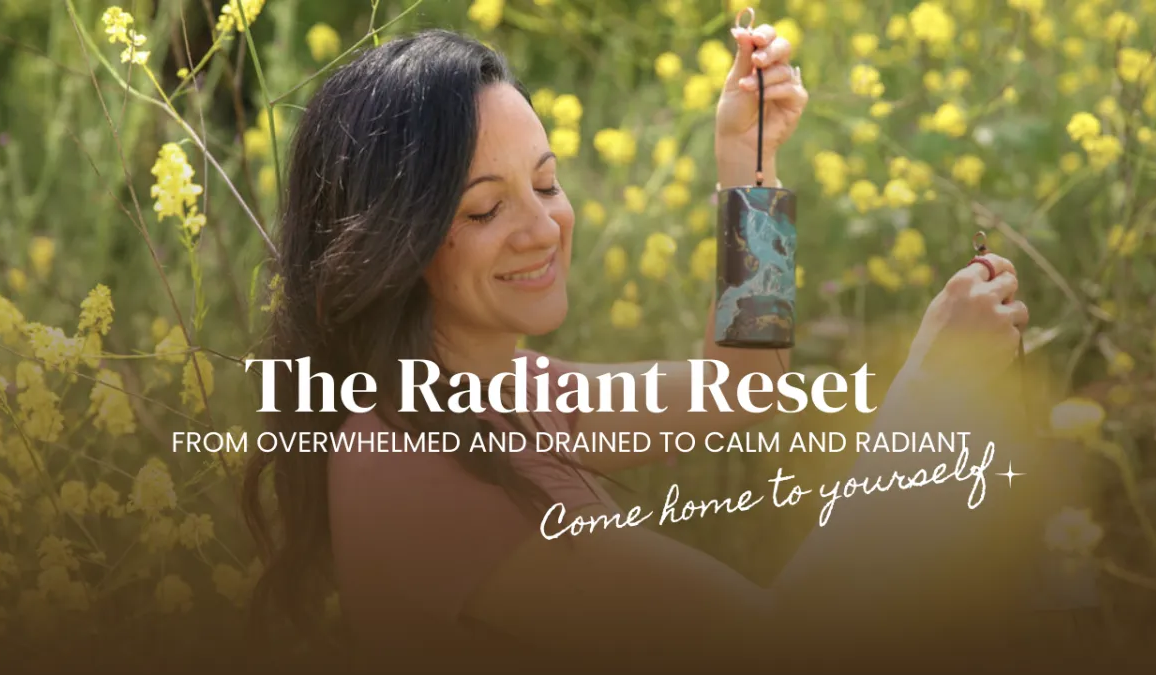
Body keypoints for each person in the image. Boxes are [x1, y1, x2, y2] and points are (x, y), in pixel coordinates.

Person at [244, 25, 1034, 674]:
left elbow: (741, 386)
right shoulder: (417, 464)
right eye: (485, 209)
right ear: (393, 240)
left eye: (546, 184)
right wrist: (929, 398)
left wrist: (750, 163)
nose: (542, 227)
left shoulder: (488, 392)